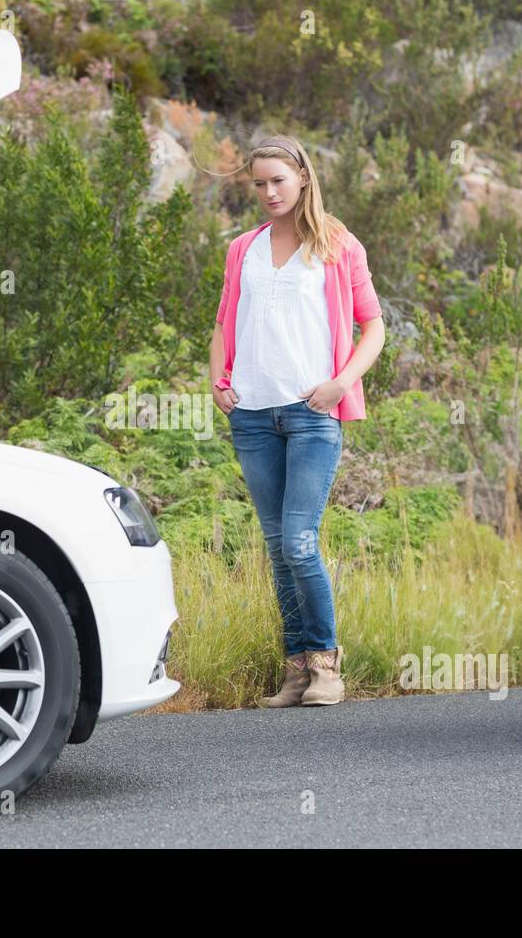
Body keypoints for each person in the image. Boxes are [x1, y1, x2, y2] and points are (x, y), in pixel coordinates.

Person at [209, 133, 385, 707]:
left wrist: (341, 383)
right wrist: (220, 382)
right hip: (254, 415)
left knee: (300, 540)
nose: (268, 192)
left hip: (312, 413)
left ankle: (327, 665)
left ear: (303, 177)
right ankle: (294, 670)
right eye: (258, 183)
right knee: (275, 542)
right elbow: (223, 323)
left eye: (278, 181)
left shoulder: (337, 245)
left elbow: (373, 326)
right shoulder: (244, 248)